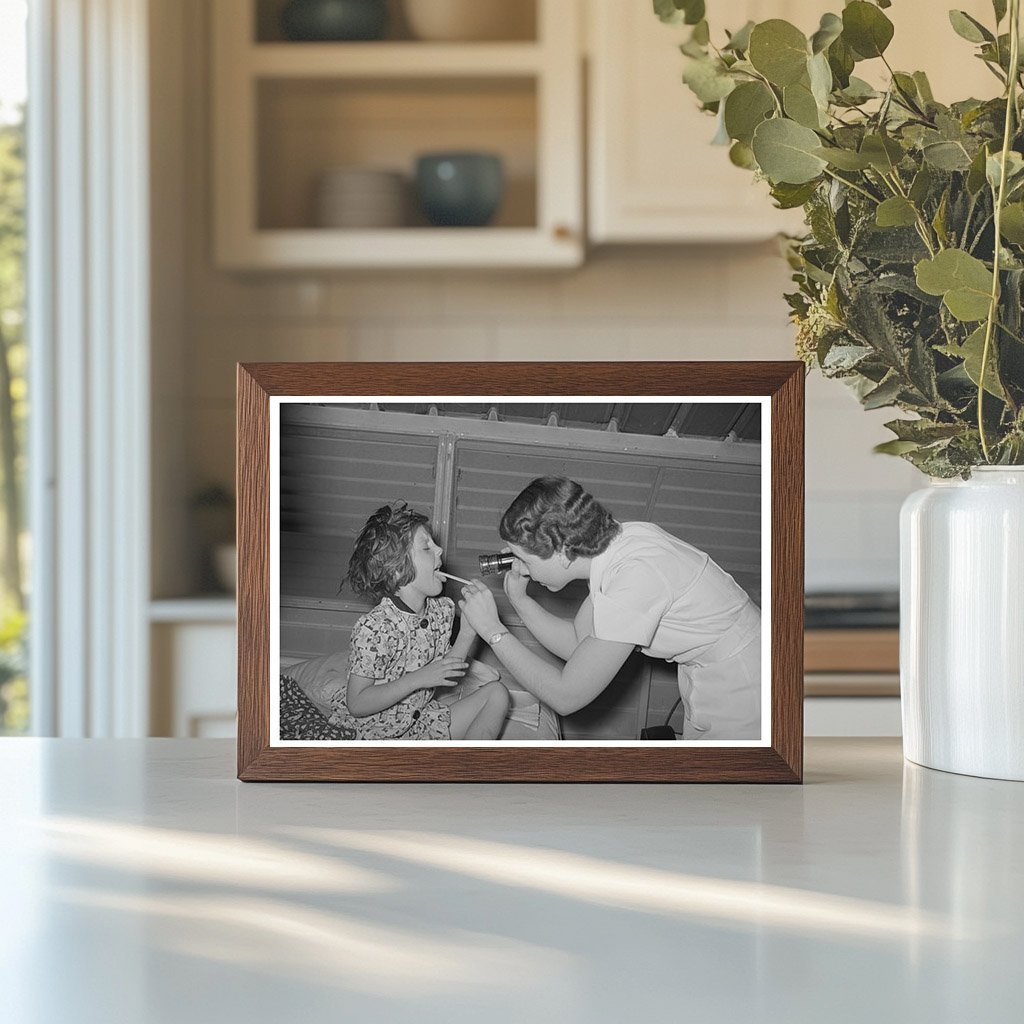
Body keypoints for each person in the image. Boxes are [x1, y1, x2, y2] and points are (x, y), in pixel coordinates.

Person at [458, 477, 762, 740]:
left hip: (742, 685)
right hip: (715, 675)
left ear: (563, 551)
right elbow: (579, 644)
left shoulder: (636, 576)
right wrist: (520, 601)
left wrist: (492, 631)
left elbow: (567, 695)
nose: (521, 568)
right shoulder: (616, 546)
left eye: (524, 559)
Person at [341, 502, 509, 740]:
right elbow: (357, 703)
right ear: (397, 570)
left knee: (498, 694)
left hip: (420, 721)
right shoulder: (376, 627)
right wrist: (419, 678)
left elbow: (445, 672)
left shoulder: (441, 611)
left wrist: (469, 631)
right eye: (426, 548)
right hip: (377, 733)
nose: (439, 550)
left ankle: (470, 766)